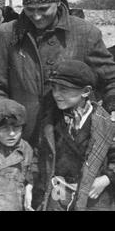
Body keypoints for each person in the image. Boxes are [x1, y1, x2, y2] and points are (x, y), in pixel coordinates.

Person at [0, 0, 115, 147]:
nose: (36, 16)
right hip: (22, 134)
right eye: (30, 9)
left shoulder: (85, 33)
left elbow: (110, 79)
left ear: (58, 2)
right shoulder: (8, 33)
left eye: (44, 9)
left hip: (70, 138)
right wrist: (0, 121)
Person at [37, 60, 115, 211]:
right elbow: (39, 155)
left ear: (85, 91)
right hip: (58, 194)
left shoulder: (106, 124)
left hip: (94, 197)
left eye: (64, 89)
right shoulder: (50, 122)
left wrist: (106, 179)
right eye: (53, 88)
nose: (56, 95)